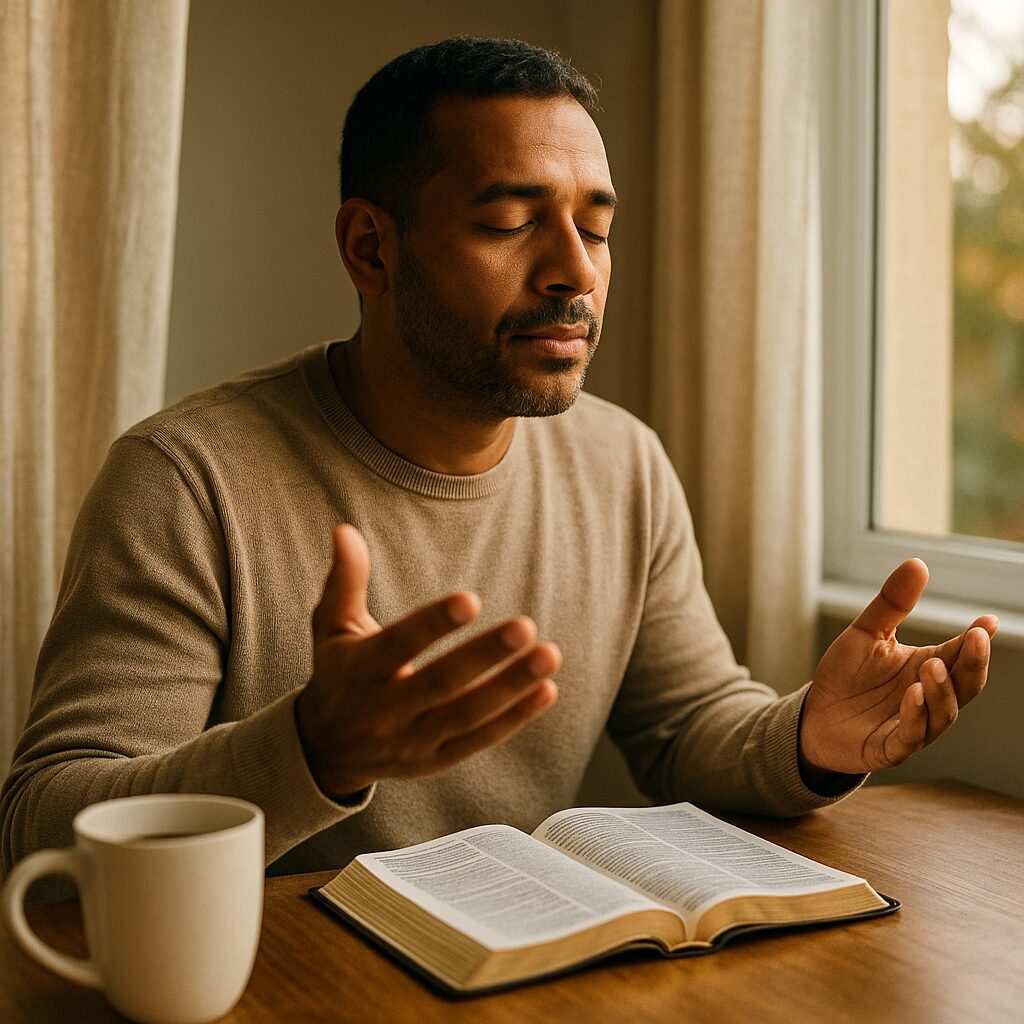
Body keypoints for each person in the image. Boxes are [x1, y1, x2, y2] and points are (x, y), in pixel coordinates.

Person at [1, 37, 996, 883]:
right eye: (510, 222)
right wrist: (312, 748)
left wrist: (812, 739)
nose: (574, 271)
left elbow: (688, 726)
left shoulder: (622, 464)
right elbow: (44, 822)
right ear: (369, 249)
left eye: (596, 227)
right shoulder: (185, 480)